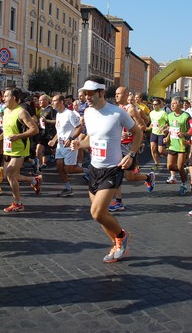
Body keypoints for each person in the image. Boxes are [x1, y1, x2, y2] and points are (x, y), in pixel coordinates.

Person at [71, 77, 142, 263]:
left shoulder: (117, 113)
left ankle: (122, 236)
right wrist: (79, 144)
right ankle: (117, 244)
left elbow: (138, 133)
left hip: (113, 169)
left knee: (97, 212)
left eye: (90, 93)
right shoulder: (87, 112)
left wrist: (131, 154)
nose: (86, 97)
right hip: (94, 169)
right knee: (100, 217)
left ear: (101, 93)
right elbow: (91, 139)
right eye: (85, 93)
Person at [110, 86, 155, 212]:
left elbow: (142, 126)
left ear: (125, 95)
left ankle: (148, 177)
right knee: (116, 173)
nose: (116, 96)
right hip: (117, 145)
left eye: (119, 94)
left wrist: (129, 134)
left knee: (129, 177)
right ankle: (118, 202)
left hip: (128, 146)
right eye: (115, 94)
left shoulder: (131, 110)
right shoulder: (116, 109)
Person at [0, 88, 40, 212]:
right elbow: (7, 130)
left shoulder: (21, 112)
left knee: (9, 173)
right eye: (3, 96)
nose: (3, 98)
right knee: (8, 175)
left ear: (14, 98)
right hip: (8, 148)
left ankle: (18, 203)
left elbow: (34, 129)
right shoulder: (6, 111)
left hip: (20, 148)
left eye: (6, 96)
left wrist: (18, 137)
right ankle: (33, 180)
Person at [49, 94, 83, 197]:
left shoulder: (70, 114)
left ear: (61, 102)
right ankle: (68, 188)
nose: (52, 103)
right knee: (59, 167)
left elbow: (79, 127)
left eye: (54, 101)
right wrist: (53, 140)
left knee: (69, 169)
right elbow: (59, 131)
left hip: (70, 146)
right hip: (60, 146)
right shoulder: (58, 114)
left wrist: (71, 138)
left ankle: (89, 171)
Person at [163, 96, 190, 196]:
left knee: (179, 166)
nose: (172, 105)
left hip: (182, 146)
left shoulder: (186, 116)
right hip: (172, 145)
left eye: (174, 103)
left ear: (180, 104)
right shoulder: (170, 116)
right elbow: (171, 128)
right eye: (171, 104)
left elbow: (191, 131)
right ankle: (184, 171)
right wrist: (167, 136)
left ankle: (183, 184)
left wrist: (184, 134)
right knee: (169, 166)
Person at [147, 98, 168, 170]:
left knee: (161, 151)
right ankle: (157, 164)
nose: (154, 106)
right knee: (152, 149)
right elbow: (152, 123)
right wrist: (148, 128)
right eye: (153, 104)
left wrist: (164, 128)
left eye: (156, 104)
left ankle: (171, 153)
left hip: (161, 134)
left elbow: (168, 123)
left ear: (159, 105)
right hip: (154, 133)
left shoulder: (163, 113)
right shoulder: (151, 113)